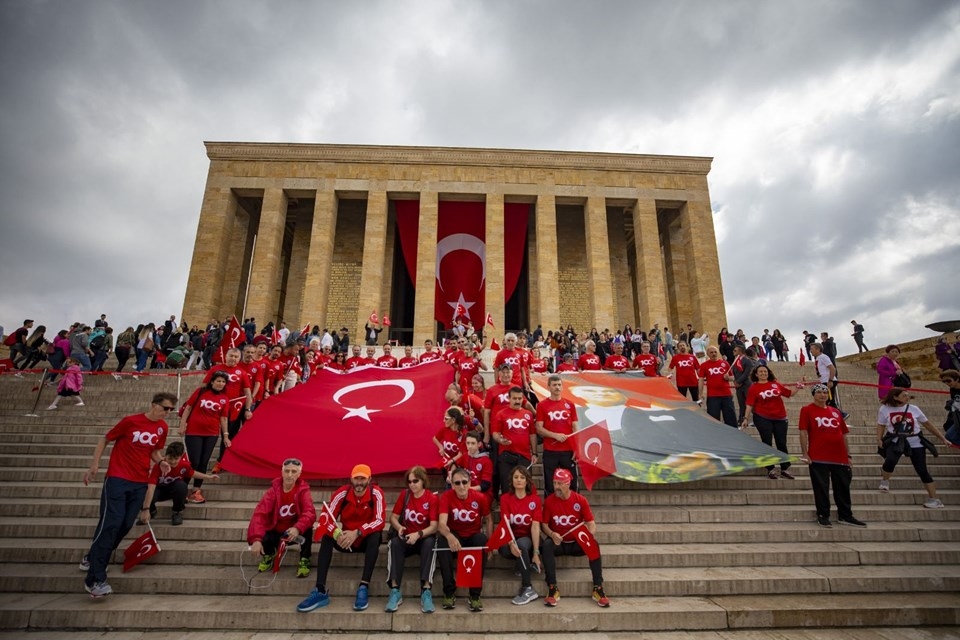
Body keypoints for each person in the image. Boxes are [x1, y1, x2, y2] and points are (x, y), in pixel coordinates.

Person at [80, 392, 176, 597]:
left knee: (125, 524)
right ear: (153, 405)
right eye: (165, 408)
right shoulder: (130, 421)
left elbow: (155, 451)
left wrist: (161, 462)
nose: (167, 413)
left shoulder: (162, 428)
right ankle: (95, 579)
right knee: (111, 523)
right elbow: (104, 440)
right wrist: (94, 466)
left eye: (171, 410)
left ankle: (94, 556)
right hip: (118, 478)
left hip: (140, 481)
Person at [297, 464, 386, 613]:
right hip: (344, 540)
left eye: (362, 478)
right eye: (356, 478)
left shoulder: (376, 493)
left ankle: (364, 586)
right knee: (327, 536)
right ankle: (320, 590)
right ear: (351, 478)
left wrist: (357, 532)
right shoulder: (342, 493)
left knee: (376, 536)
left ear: (369, 479)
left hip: (363, 539)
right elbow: (326, 518)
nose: (359, 482)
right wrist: (338, 534)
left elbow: (379, 520)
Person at [540, 468, 610, 608]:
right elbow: (544, 525)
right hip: (558, 543)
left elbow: (591, 523)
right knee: (546, 545)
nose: (556, 487)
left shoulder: (580, 500)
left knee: (593, 545)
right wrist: (552, 534)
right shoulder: (549, 501)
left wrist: (589, 535)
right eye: (554, 483)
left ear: (568, 484)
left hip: (576, 543)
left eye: (559, 484)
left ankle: (598, 588)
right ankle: (552, 588)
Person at [798, 384, 865, 528]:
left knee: (843, 487)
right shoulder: (807, 410)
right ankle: (823, 515)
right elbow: (803, 432)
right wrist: (805, 453)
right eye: (819, 392)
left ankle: (845, 515)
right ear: (814, 394)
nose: (823, 395)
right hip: (818, 456)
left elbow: (844, 434)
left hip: (839, 456)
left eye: (825, 392)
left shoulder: (835, 412)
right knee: (821, 487)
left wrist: (848, 455)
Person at [876, 388, 950, 508]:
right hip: (896, 440)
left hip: (915, 440)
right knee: (890, 460)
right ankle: (885, 480)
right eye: (904, 395)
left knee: (922, 470)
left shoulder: (913, 409)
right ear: (895, 397)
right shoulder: (885, 409)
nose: (907, 397)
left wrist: (942, 438)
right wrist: (878, 438)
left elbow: (927, 424)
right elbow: (881, 425)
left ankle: (934, 499)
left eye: (908, 395)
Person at [247, 457, 315, 578]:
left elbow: (309, 512)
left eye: (294, 472)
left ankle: (304, 559)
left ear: (299, 474)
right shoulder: (273, 491)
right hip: (276, 530)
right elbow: (259, 514)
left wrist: (298, 528)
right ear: (282, 472)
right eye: (287, 471)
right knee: (263, 534)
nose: (289, 475)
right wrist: (256, 539)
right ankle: (269, 555)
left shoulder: (303, 491)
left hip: (293, 533)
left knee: (308, 528)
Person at [436, 466, 492, 612]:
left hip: (473, 536)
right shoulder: (446, 497)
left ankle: (475, 595)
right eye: (457, 483)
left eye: (464, 482)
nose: (461, 486)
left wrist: (491, 544)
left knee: (482, 541)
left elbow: (489, 519)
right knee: (442, 542)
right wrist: (449, 536)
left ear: (469, 482)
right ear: (452, 484)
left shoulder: (480, 498)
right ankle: (449, 592)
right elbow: (441, 524)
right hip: (455, 535)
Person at [384, 465, 439, 613]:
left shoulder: (431, 498)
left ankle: (426, 591)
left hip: (423, 537)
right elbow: (393, 517)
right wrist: (399, 527)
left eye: (416, 481)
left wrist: (419, 534)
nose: (412, 484)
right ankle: (395, 590)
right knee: (394, 543)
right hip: (407, 537)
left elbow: (434, 526)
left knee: (430, 543)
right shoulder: (405, 495)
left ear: (423, 481)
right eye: (409, 482)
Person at [178, 371, 230, 504]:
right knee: (193, 461)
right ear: (212, 382)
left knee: (203, 462)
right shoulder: (200, 391)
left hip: (212, 433)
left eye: (223, 382)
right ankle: (181, 489)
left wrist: (226, 436)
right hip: (194, 432)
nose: (220, 384)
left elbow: (223, 418)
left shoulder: (225, 398)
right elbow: (188, 408)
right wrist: (182, 425)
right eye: (218, 381)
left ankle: (196, 491)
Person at [144, 442, 218, 526]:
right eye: (170, 459)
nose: (172, 462)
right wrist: (145, 509)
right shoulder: (159, 466)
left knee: (181, 486)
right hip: (159, 490)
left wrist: (208, 477)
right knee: (143, 491)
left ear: (181, 457)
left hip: (174, 490)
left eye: (176, 459)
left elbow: (192, 473)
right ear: (165, 456)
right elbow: (151, 488)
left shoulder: (184, 465)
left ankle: (177, 512)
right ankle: (152, 511)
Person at [741, 365, 795, 480]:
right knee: (767, 442)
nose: (763, 373)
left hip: (780, 417)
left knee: (781, 443)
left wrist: (799, 386)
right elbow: (749, 404)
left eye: (765, 371)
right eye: (760, 372)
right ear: (756, 374)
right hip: (762, 417)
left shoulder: (775, 384)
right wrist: (745, 418)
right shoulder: (753, 388)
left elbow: (789, 393)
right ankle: (770, 469)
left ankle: (785, 468)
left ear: (768, 373)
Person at [499, 465, 542, 605]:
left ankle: (528, 588)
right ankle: (522, 565)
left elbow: (535, 526)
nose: (519, 480)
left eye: (522, 477)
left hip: (528, 539)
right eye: (516, 477)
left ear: (527, 481)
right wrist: (511, 543)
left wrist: (536, 552)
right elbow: (505, 524)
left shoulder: (534, 500)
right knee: (502, 549)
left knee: (522, 544)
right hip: (512, 537)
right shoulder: (505, 499)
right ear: (511, 480)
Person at [536, 374, 579, 496]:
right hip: (551, 450)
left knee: (572, 482)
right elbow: (539, 428)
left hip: (568, 450)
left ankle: (573, 509)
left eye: (559, 385)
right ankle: (551, 510)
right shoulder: (542, 405)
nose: (557, 387)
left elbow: (575, 427)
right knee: (550, 484)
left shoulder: (569, 404)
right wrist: (555, 435)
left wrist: (577, 447)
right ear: (548, 387)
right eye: (554, 385)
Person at [491, 387, 538, 496]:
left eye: (519, 398)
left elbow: (532, 434)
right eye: (514, 398)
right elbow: (495, 433)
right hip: (506, 455)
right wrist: (500, 440)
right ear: (509, 398)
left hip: (525, 455)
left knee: (526, 487)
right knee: (507, 487)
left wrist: (534, 453)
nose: (517, 401)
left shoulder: (528, 414)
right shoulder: (501, 414)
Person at [698, 346, 736, 428]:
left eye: (715, 352)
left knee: (731, 420)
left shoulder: (725, 363)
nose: (714, 354)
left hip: (726, 395)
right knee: (713, 421)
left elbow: (732, 377)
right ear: (707, 354)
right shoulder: (704, 365)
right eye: (711, 352)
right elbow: (701, 380)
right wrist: (700, 394)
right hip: (713, 396)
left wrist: (728, 378)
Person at [731, 345, 757, 424]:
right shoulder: (735, 361)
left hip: (746, 385)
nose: (733, 352)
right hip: (739, 386)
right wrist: (735, 381)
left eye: (735, 350)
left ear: (740, 351)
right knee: (741, 404)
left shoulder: (747, 360)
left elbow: (747, 373)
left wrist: (739, 381)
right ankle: (741, 419)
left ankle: (757, 419)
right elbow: (735, 373)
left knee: (750, 402)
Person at [939, 370, 960, 445]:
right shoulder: (953, 389)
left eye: (948, 381)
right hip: (956, 414)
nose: (947, 383)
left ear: (957, 379)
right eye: (944, 381)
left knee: (950, 436)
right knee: (948, 431)